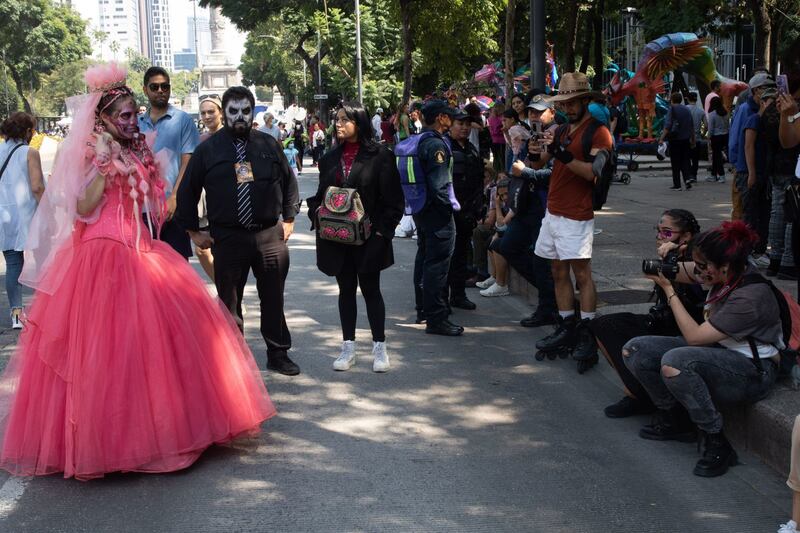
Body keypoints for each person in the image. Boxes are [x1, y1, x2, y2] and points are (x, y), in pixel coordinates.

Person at [0, 64, 275, 480]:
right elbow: (85, 208)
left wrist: (146, 175)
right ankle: (105, 441)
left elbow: (152, 198)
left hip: (141, 247)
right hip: (101, 254)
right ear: (104, 119)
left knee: (154, 346)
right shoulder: (94, 151)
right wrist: (108, 166)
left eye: (132, 114)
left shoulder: (138, 148)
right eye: (123, 116)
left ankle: (160, 430)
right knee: (105, 351)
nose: (131, 121)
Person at [623, 220, 780, 478]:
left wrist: (669, 292)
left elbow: (695, 338)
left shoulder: (749, 297)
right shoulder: (723, 271)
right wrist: (671, 256)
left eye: (703, 266)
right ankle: (676, 419)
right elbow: (681, 271)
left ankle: (716, 439)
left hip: (753, 370)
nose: (698, 271)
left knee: (675, 362)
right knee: (636, 349)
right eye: (697, 264)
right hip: (720, 351)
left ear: (725, 267)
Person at [176, 86, 301, 376]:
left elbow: (288, 181)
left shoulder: (269, 145)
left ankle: (278, 353)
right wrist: (194, 232)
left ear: (252, 110)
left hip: (269, 235)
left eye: (246, 110)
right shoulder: (207, 149)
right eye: (233, 111)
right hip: (228, 238)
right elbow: (187, 192)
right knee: (230, 301)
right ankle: (235, 358)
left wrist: (290, 218)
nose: (240, 116)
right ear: (224, 112)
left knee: (273, 297)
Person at [307, 103, 404, 372]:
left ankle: (380, 347)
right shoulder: (329, 158)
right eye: (336, 119)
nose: (337, 124)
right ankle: (348, 346)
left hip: (369, 239)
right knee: (345, 291)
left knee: (371, 290)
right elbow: (319, 195)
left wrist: (382, 233)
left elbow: (394, 200)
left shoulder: (381, 156)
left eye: (344, 120)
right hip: (337, 239)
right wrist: (318, 210)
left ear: (358, 123)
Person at [529, 72, 614, 366]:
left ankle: (589, 332)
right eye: (565, 102)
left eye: (575, 101)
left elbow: (593, 172)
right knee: (557, 271)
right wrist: (535, 152)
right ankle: (567, 325)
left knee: (582, 275)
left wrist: (559, 154)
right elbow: (540, 161)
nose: (569, 107)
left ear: (587, 100)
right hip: (553, 211)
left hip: (576, 214)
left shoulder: (599, 131)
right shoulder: (563, 130)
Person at [588, 209, 703, 418]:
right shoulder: (672, 254)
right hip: (667, 321)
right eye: (658, 231)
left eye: (667, 233)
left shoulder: (700, 261)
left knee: (638, 344)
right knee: (603, 325)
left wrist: (675, 264)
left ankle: (655, 403)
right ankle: (637, 394)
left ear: (686, 236)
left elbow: (699, 288)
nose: (660, 237)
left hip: (692, 329)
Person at [137, 67, 200, 259]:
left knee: (177, 267)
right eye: (154, 87)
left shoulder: (183, 120)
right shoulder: (135, 123)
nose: (160, 91)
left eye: (165, 86)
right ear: (145, 90)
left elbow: (188, 163)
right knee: (146, 268)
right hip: (141, 208)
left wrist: (174, 197)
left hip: (172, 207)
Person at [413, 100, 463, 336]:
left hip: (422, 210)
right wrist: (449, 209)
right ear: (441, 118)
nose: (453, 120)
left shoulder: (421, 141)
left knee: (424, 259)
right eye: (450, 116)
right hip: (437, 214)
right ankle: (436, 318)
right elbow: (439, 185)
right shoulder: (436, 146)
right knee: (437, 265)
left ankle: (423, 310)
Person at [0, 112, 45, 329]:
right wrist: (50, 208)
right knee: (42, 260)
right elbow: (37, 187)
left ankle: (16, 317)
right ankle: (47, 310)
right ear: (27, 132)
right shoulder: (30, 152)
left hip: (5, 216)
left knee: (13, 265)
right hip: (30, 216)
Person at [446, 111, 485, 309]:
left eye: (467, 124)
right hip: (449, 211)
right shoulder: (444, 147)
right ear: (450, 125)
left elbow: (478, 179)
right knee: (447, 256)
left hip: (468, 210)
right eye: (460, 123)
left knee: (462, 255)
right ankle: (441, 299)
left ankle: (458, 295)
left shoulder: (471, 149)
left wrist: (478, 207)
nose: (464, 127)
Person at [742, 80, 776, 263]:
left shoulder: (769, 121)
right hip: (755, 173)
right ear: (762, 102)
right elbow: (748, 146)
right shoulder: (754, 119)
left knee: (764, 214)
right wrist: (752, 173)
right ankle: (746, 252)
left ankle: (759, 250)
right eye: (771, 101)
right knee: (751, 214)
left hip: (767, 173)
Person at [194, 94, 224, 282]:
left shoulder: (232, 136)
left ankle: (230, 294)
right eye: (203, 113)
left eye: (211, 111)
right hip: (204, 202)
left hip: (227, 202)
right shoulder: (200, 140)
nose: (207, 116)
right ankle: (223, 288)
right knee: (202, 249)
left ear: (221, 112)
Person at [476, 178, 514, 296]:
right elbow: (500, 227)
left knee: (497, 244)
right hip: (510, 232)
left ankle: (501, 284)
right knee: (490, 241)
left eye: (507, 193)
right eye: (502, 195)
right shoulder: (507, 204)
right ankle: (494, 276)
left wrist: (497, 206)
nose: (505, 197)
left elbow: (501, 224)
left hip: (522, 236)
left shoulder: (515, 204)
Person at [658, 92, 695, 191]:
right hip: (685, 139)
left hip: (675, 139)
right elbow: (691, 126)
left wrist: (661, 138)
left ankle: (677, 184)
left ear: (672, 99)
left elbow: (668, 125)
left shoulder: (672, 109)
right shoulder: (687, 110)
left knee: (675, 162)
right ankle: (687, 179)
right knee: (685, 160)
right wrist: (693, 139)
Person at [706, 96, 729, 183]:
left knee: (717, 156)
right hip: (725, 135)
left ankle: (722, 175)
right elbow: (728, 125)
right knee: (716, 156)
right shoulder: (726, 113)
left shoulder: (712, 114)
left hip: (716, 136)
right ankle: (713, 175)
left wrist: (708, 138)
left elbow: (710, 128)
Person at [487, 103, 506, 172]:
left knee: (497, 158)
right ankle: (501, 172)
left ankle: (496, 172)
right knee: (501, 158)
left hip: (494, 141)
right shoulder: (500, 119)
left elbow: (492, 130)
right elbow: (496, 130)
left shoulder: (490, 119)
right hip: (501, 141)